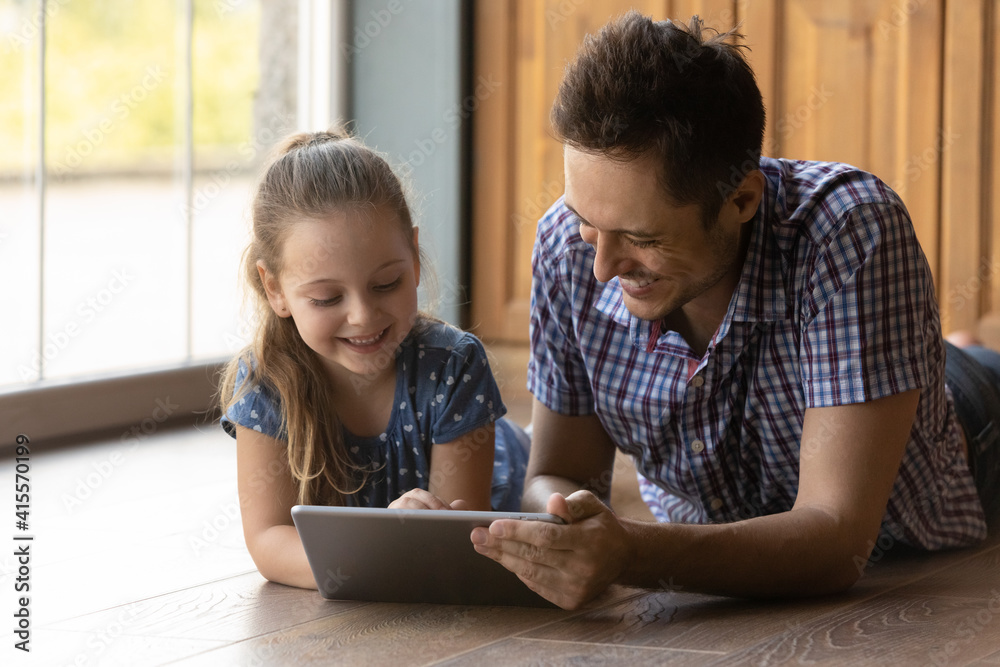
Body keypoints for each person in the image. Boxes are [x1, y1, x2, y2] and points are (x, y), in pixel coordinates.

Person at [470, 12, 1000, 609]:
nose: (601, 269)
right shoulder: (566, 245)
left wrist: (631, 553)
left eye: (643, 238)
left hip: (970, 433)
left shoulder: (850, 230)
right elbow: (556, 475)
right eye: (588, 223)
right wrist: (566, 526)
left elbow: (838, 541)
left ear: (741, 199)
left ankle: (958, 352)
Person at [219, 128, 529, 589]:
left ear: (414, 258)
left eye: (386, 284)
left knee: (540, 484)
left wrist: (387, 552)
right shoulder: (265, 382)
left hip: (505, 465)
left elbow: (456, 543)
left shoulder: (455, 364)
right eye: (327, 298)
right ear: (275, 289)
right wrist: (381, 550)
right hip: (390, 549)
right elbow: (267, 539)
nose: (363, 316)